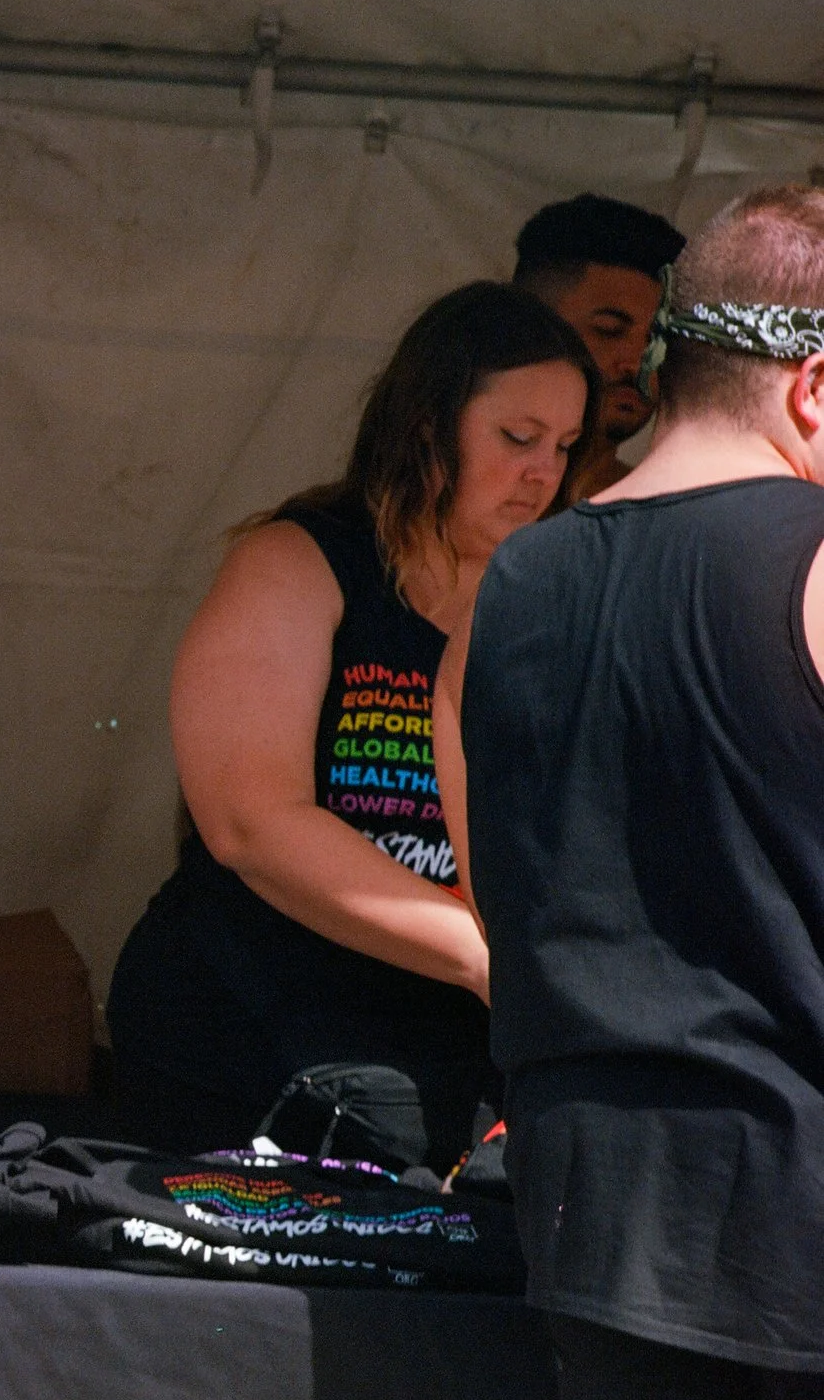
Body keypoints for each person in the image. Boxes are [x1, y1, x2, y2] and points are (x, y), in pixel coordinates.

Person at [441, 183, 824, 1400]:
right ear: (812, 397)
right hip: (812, 1145)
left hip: (602, 1154)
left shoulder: (508, 580)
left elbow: (491, 887)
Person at [105, 283, 591, 1167]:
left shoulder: (547, 603)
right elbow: (251, 819)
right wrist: (489, 961)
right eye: (517, 440)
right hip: (255, 1013)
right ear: (425, 429)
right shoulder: (299, 562)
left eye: (563, 447)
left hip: (437, 1030)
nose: (544, 472)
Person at [513, 193, 685, 500]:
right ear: (530, 325)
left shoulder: (652, 522)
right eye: (609, 331)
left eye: (658, 339)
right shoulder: (432, 501)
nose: (638, 364)